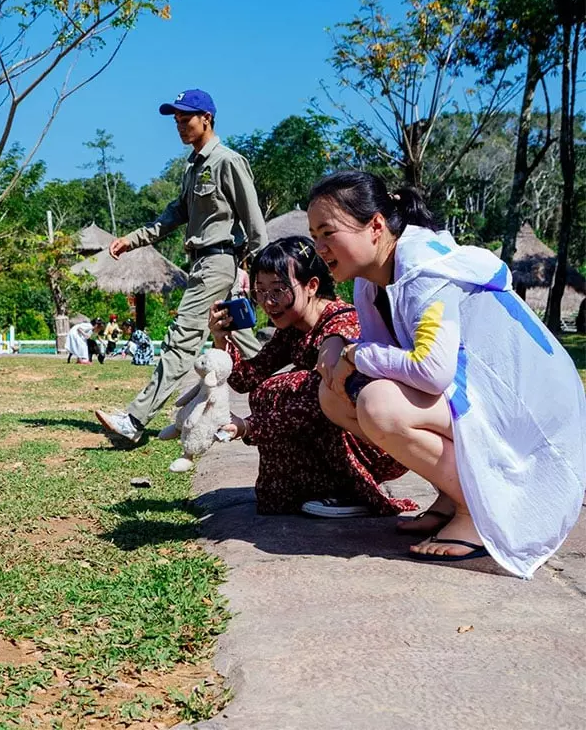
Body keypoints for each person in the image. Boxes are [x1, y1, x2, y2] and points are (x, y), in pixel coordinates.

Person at [307, 171, 586, 577]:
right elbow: (384, 358)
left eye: (328, 232)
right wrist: (337, 345)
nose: (319, 247)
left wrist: (356, 353)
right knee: (335, 394)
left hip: (531, 411)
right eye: (315, 235)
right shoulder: (370, 285)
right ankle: (450, 496)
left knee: (378, 404)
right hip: (478, 394)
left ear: (376, 226)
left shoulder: (426, 273)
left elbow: (428, 370)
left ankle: (478, 513)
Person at [96, 88, 268, 442]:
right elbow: (172, 217)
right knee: (247, 344)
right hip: (203, 264)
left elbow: (254, 224)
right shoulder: (192, 169)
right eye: (176, 121)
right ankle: (301, 393)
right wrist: (132, 239)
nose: (179, 126)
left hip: (218, 263)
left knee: (181, 340)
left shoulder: (227, 162)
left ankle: (135, 419)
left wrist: (263, 271)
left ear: (206, 118)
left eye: (185, 119)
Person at [211, 237, 416, 517]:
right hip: (340, 433)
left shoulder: (342, 320)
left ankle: (353, 491)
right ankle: (327, 488)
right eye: (260, 292)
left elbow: (316, 394)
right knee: (275, 500)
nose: (268, 302)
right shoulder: (292, 329)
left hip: (377, 441)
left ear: (312, 286)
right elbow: (245, 379)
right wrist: (222, 340)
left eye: (278, 290)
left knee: (287, 388)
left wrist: (248, 426)